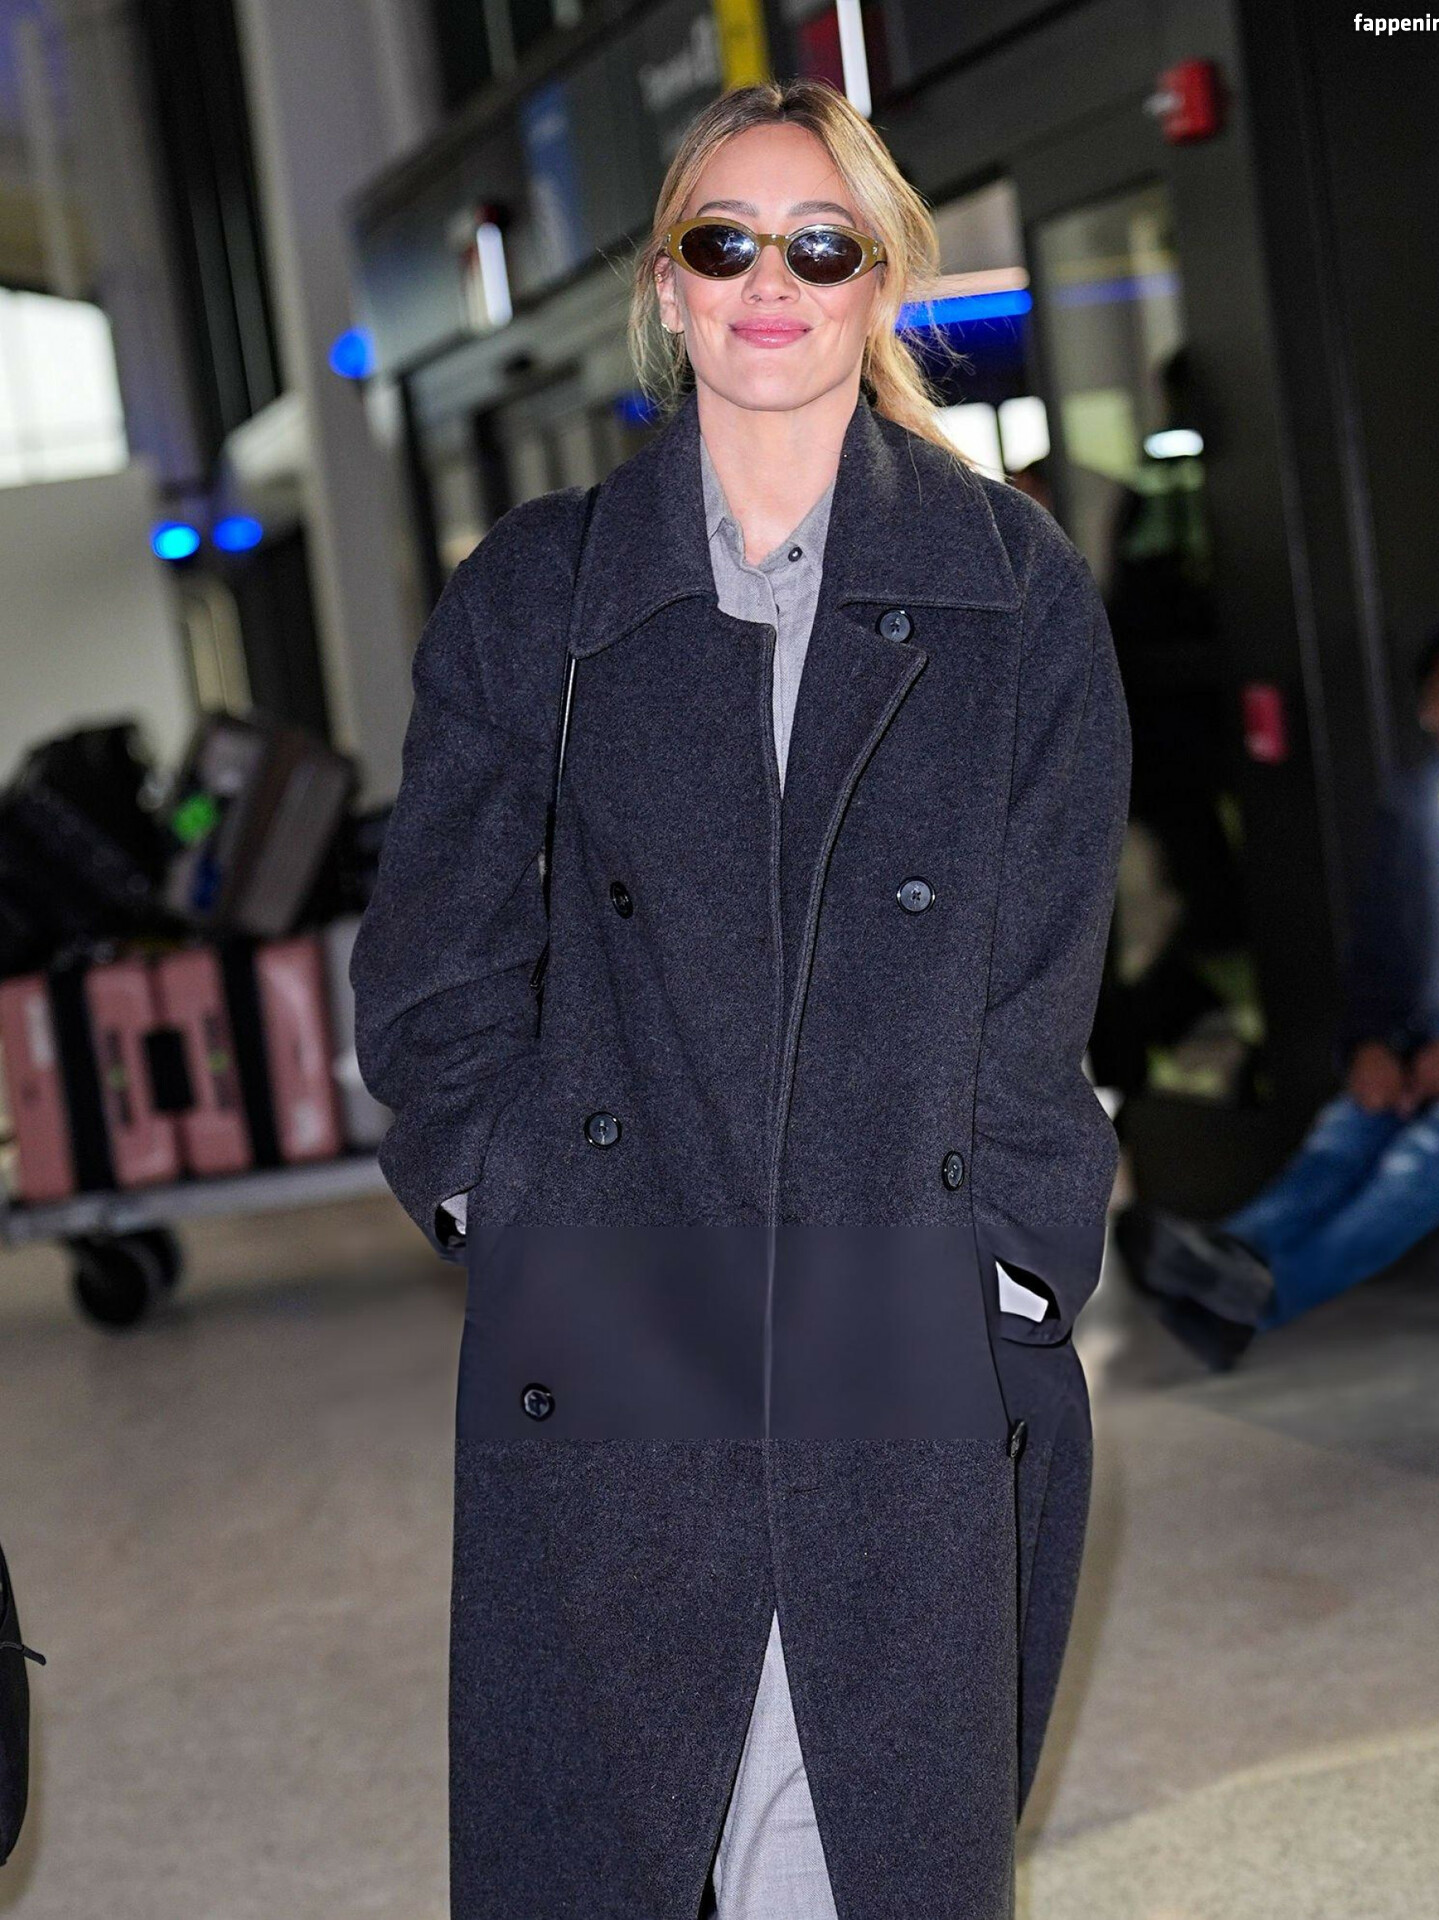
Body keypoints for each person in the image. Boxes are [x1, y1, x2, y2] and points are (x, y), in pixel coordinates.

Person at [350, 78, 1130, 1920]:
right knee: (629, 1828)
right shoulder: (538, 592)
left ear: (879, 284)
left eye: (818, 245)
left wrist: (1013, 1253)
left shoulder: (1011, 587)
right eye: (724, 242)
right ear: (666, 287)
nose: (769, 281)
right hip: (624, 1278)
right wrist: (504, 1198)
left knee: (850, 1837)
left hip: (898, 1278)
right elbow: (438, 954)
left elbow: (1043, 966)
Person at [1118, 603, 1439, 1370]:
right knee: (1349, 1130)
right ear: (1427, 713)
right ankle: (1229, 1260)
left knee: (1430, 1157)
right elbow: (1380, 947)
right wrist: (1372, 1047)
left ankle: (1249, 1296)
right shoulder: (1421, 805)